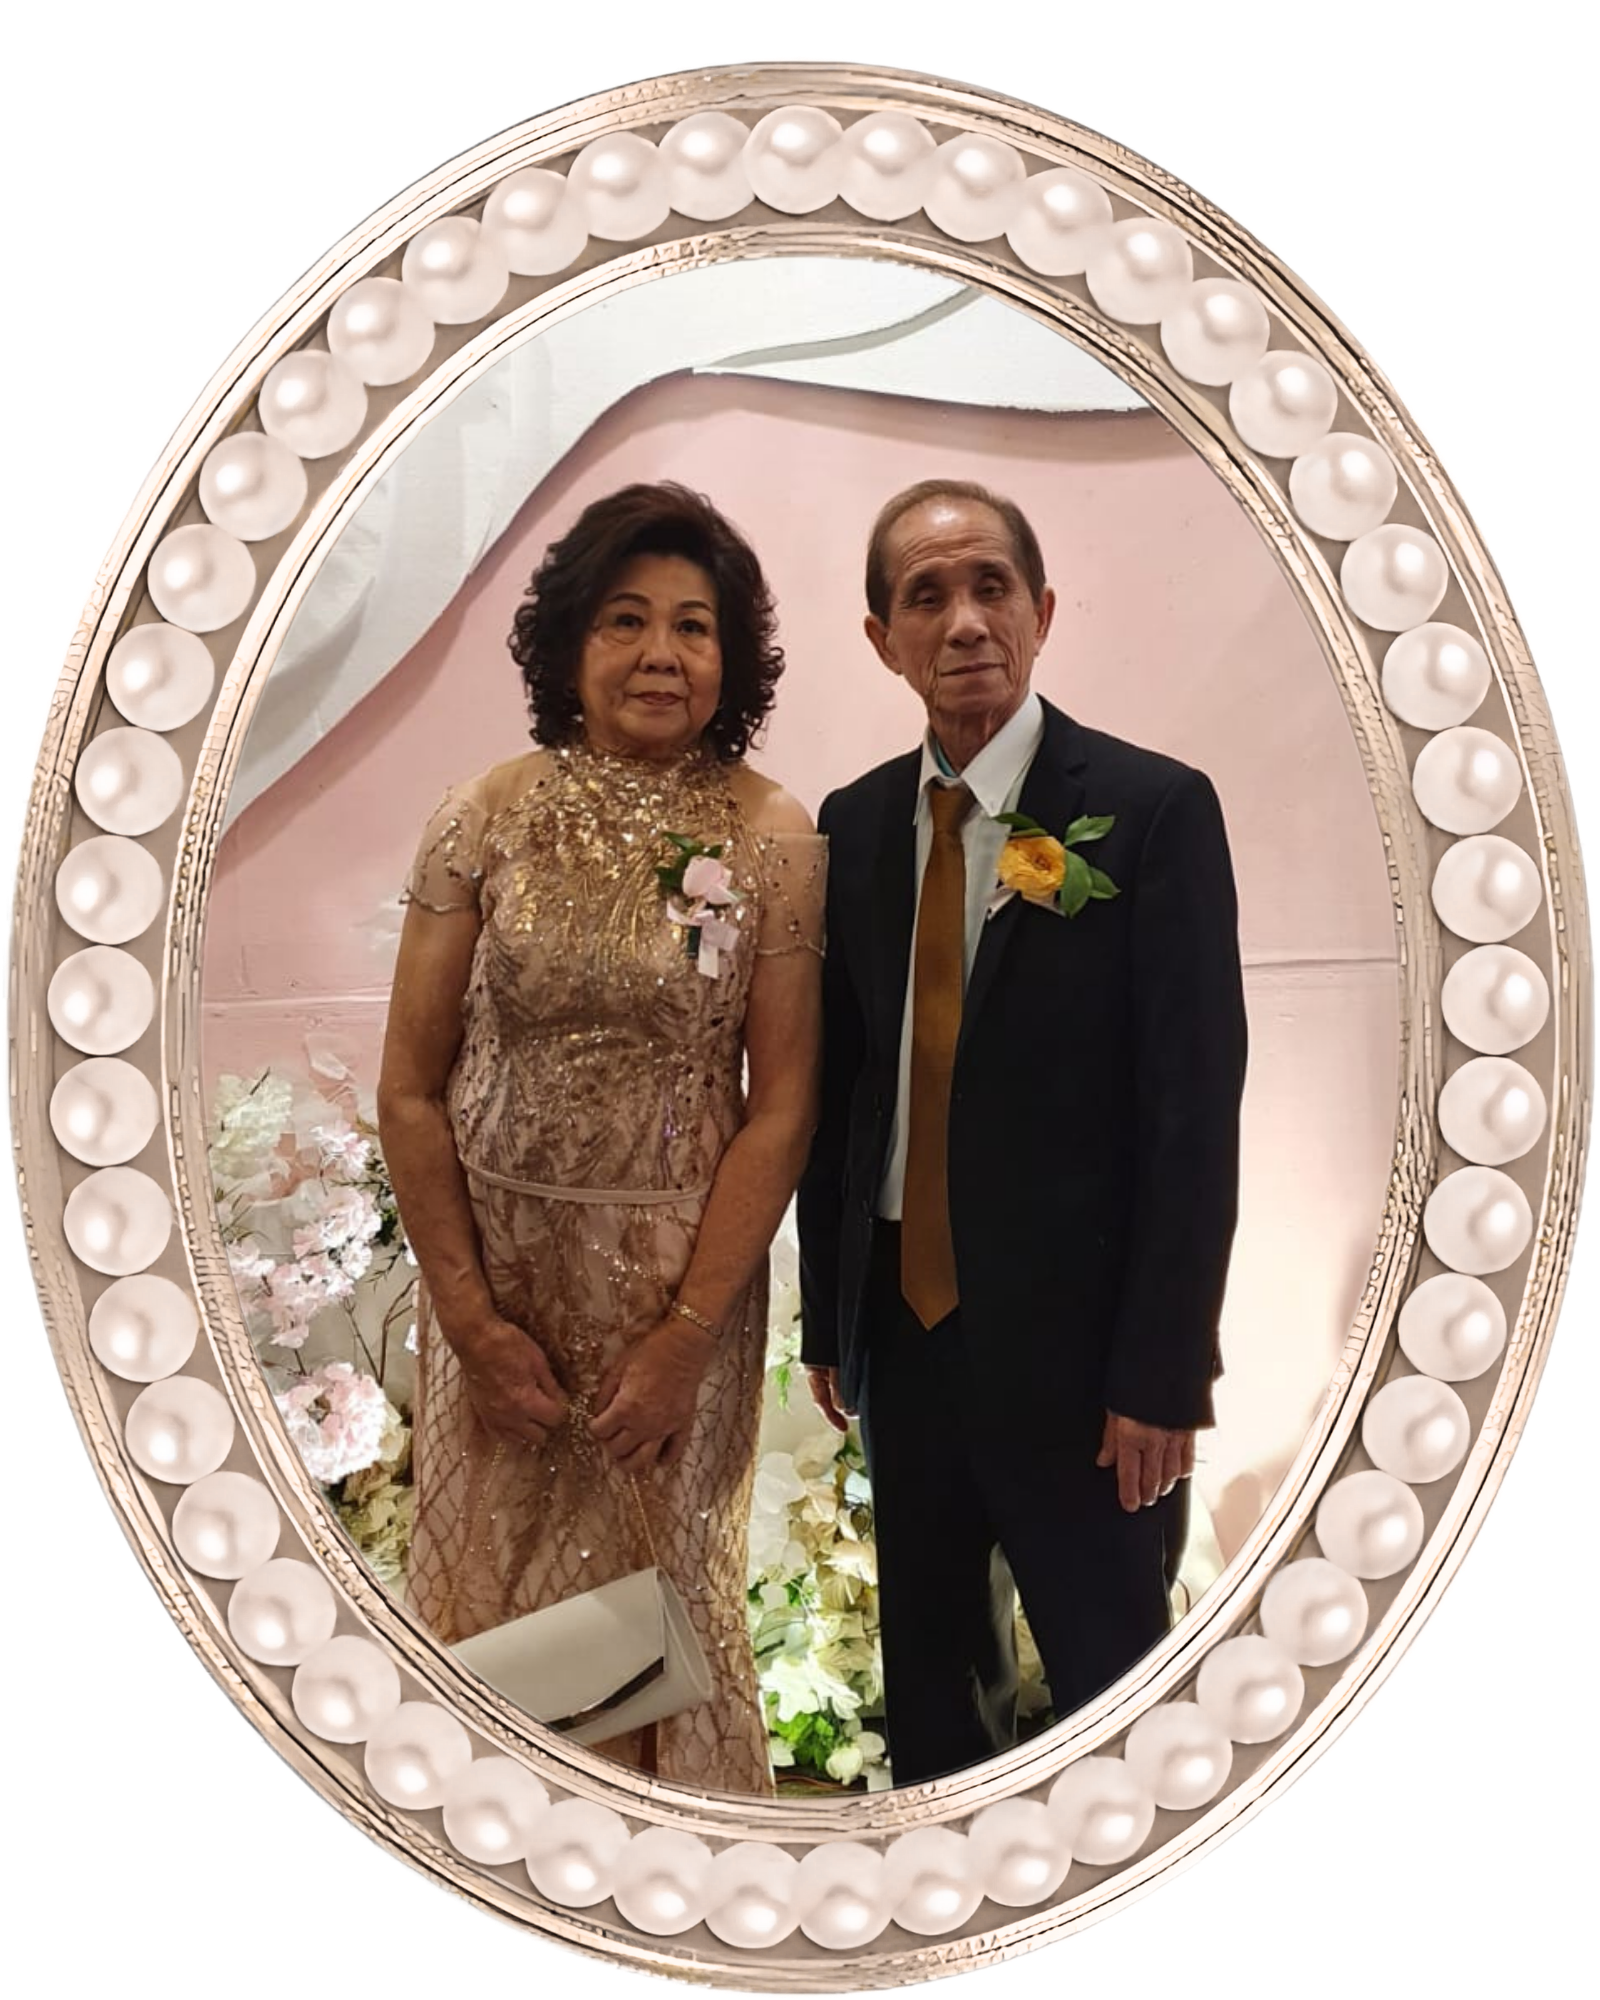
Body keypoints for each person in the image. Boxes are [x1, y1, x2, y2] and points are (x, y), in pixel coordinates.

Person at [796, 479, 1248, 1786]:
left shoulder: (1150, 810)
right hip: (906, 1337)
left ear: (1041, 611)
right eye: (925, 596)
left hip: (1088, 1360)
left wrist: (1164, 1371)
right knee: (939, 1700)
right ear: (881, 637)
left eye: (991, 585)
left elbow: (1193, 1110)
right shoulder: (855, 825)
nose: (964, 621)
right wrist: (829, 1318)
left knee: (1118, 1695)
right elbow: (845, 1086)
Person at [379, 482, 825, 1797]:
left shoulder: (772, 833)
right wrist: (469, 1322)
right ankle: (493, 1861)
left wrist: (684, 1341)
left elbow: (782, 1105)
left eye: (693, 626)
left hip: (674, 1301)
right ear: (570, 642)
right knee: (493, 1599)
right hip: (499, 1288)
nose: (660, 654)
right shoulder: (481, 815)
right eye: (626, 620)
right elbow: (410, 1090)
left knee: (655, 1609)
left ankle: (658, 1874)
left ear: (730, 657)